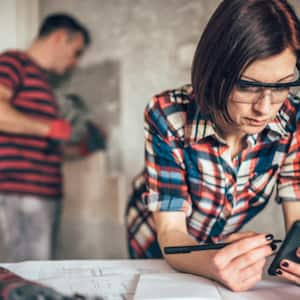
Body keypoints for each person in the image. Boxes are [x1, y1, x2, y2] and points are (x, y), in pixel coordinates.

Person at [126, 0, 300, 291]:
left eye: (282, 86)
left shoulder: (294, 118)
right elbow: (170, 232)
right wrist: (213, 260)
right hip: (157, 235)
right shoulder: (167, 114)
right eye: (248, 87)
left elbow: (298, 226)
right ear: (215, 70)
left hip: (220, 244)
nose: (266, 108)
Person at [0, 13, 90, 261]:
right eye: (76, 51)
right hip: (20, 191)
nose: (74, 63)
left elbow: (36, 139)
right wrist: (48, 128)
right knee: (25, 277)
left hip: (43, 193)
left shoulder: (43, 82)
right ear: (60, 37)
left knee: (39, 273)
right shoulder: (12, 62)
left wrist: (76, 149)